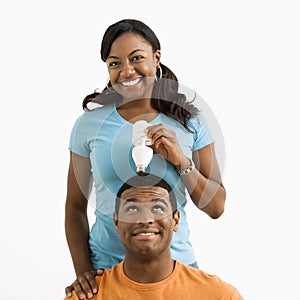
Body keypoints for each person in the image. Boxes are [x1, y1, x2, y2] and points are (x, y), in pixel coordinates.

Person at [65, 19, 226, 299]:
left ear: (156, 58)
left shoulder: (190, 121)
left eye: (136, 58)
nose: (127, 71)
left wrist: (180, 161)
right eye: (115, 63)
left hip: (177, 272)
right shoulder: (89, 124)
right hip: (107, 274)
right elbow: (75, 206)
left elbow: (216, 207)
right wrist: (83, 273)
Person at [65, 174, 242, 300]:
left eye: (157, 208)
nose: (145, 220)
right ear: (117, 223)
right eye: (132, 209)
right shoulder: (86, 296)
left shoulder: (220, 296)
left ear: (175, 220)